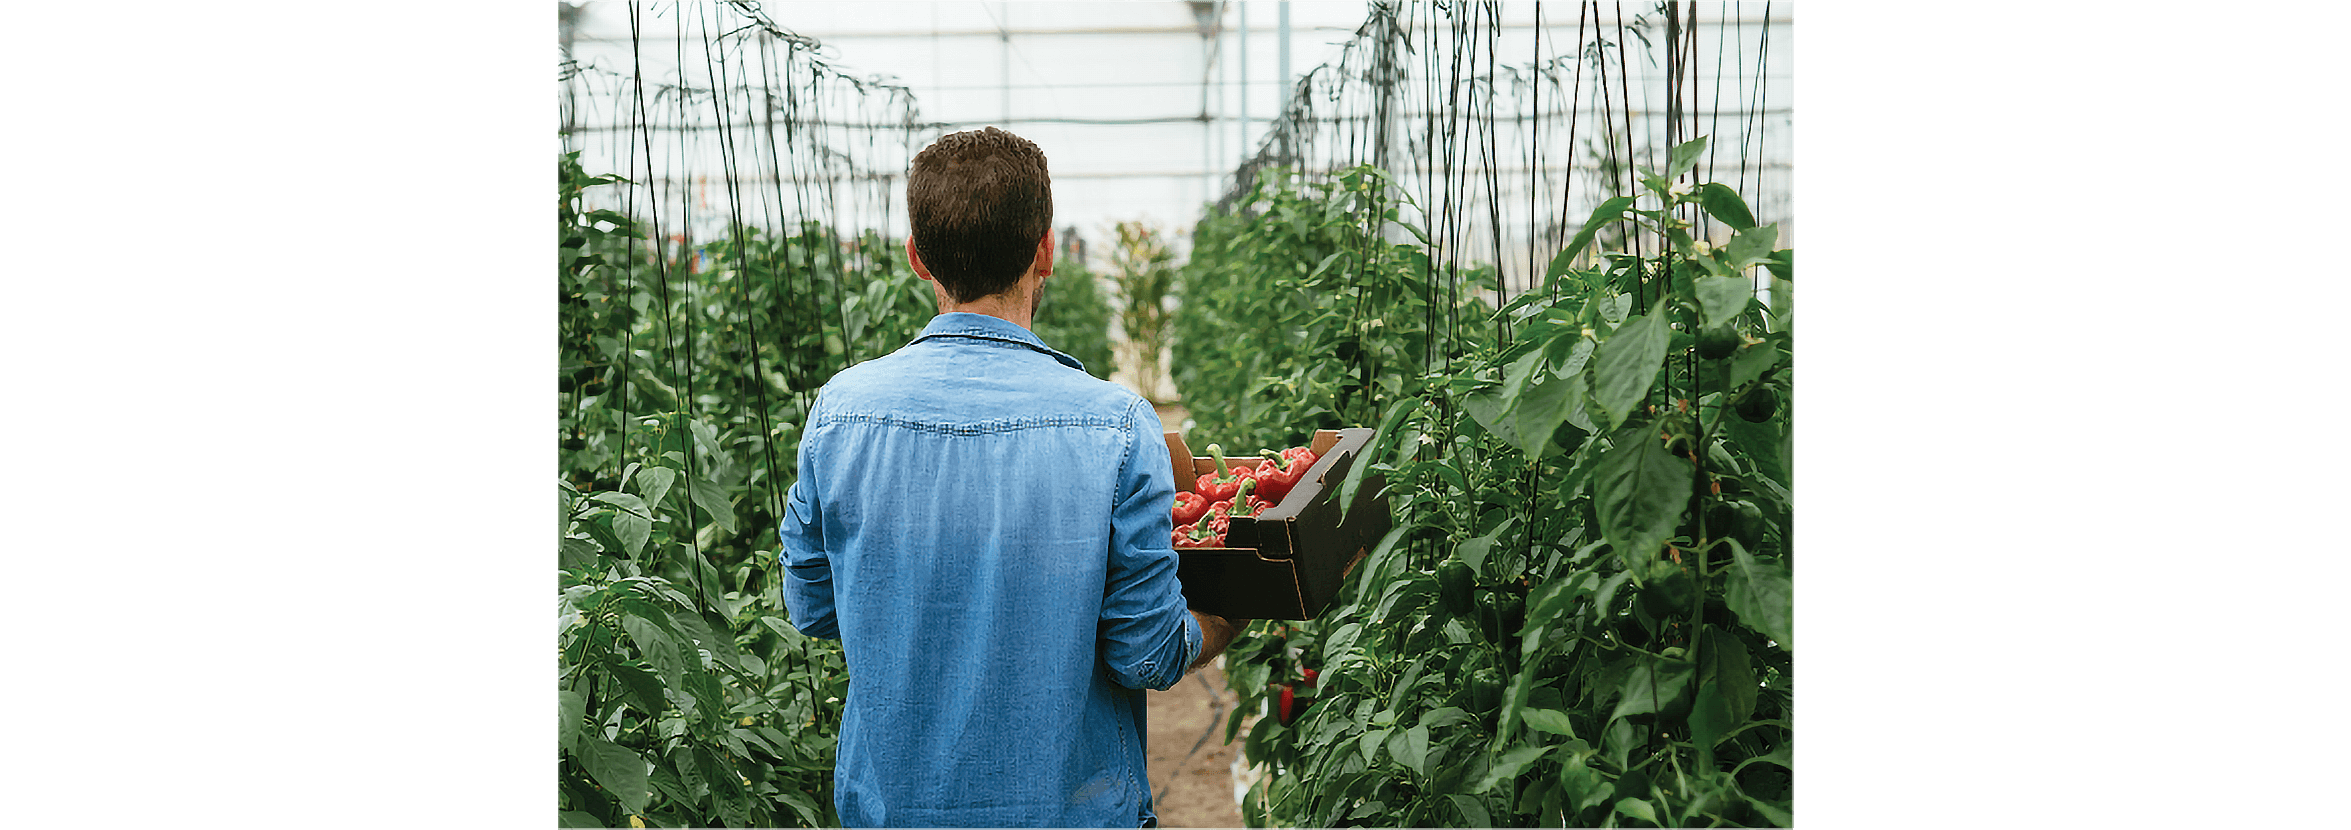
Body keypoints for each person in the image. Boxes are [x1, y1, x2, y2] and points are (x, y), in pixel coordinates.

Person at [779, 126, 1250, 829]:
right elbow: (1143, 655)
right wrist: (1225, 616)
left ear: (916, 258)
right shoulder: (1116, 425)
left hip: (892, 810)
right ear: (1046, 252)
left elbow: (813, 607)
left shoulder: (841, 412)